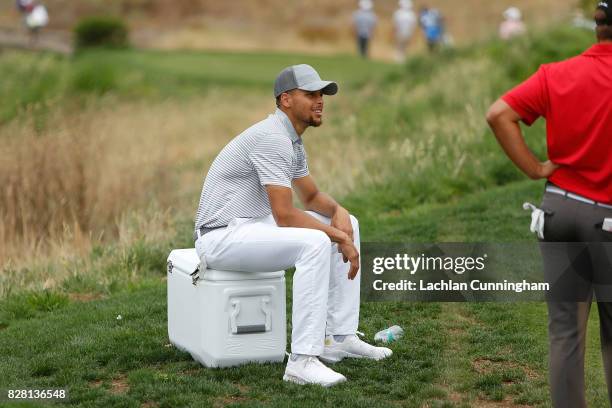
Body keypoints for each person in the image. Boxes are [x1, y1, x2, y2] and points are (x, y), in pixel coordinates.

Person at [194, 64, 392, 387]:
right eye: (310, 94)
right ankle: (301, 362)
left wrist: (338, 213)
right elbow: (285, 215)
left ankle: (338, 337)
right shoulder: (272, 138)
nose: (320, 101)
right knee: (315, 242)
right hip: (221, 237)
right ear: (286, 99)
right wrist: (337, 236)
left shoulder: (291, 140)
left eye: (322, 95)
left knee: (348, 221)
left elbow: (311, 197)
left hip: (254, 226)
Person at [486, 3, 612, 406]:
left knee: (565, 333)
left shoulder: (556, 73)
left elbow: (499, 114)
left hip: (557, 212)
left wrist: (536, 169)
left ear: (598, 28)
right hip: (607, 220)